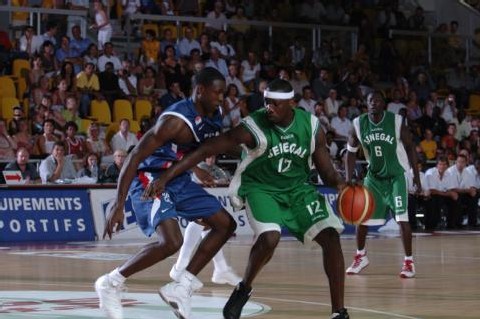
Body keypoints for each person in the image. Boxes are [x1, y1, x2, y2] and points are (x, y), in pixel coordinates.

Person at [145, 79, 349, 319]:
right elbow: (207, 148)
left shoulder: (312, 127)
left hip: (298, 190)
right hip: (260, 188)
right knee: (270, 238)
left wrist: (342, 185)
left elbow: (326, 171)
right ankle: (244, 288)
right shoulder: (252, 126)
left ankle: (339, 312)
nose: (269, 108)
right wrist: (168, 175)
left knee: (332, 238)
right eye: (266, 103)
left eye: (275, 104)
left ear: (291, 104)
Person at [94, 67, 236, 319]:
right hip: (149, 177)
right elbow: (134, 156)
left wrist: (197, 169)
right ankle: (110, 282)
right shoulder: (174, 121)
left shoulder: (215, 113)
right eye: (217, 92)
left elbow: (196, 150)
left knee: (225, 224)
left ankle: (182, 287)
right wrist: (118, 203)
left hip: (175, 177)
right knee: (171, 241)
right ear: (200, 90)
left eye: (223, 92)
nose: (221, 97)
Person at [345, 91, 421, 278]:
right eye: (371, 100)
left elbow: (411, 147)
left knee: (402, 219)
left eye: (378, 101)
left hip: (396, 176)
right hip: (374, 178)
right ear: (366, 103)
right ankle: (360, 256)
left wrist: (416, 176)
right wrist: (348, 178)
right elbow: (350, 152)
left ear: (384, 104)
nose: (374, 103)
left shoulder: (396, 121)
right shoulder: (358, 124)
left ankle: (409, 262)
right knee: (362, 217)